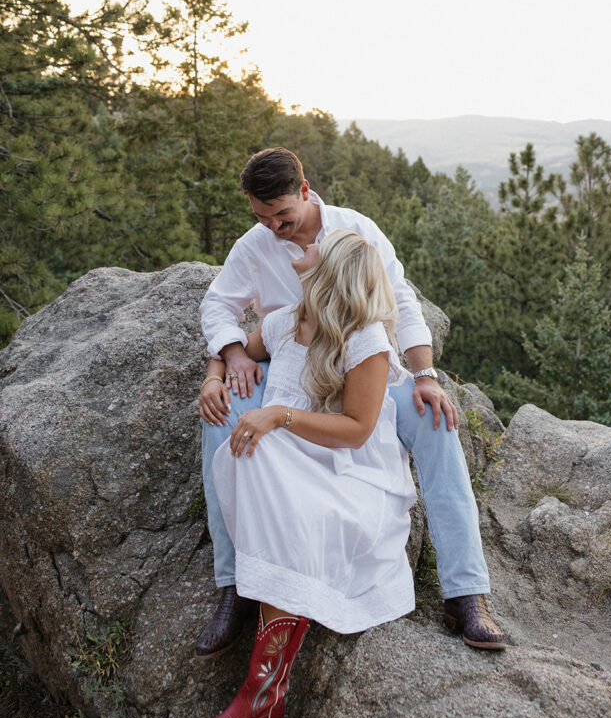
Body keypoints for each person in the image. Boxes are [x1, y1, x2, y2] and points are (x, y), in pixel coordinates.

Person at [198, 147, 505, 657]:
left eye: (282, 215)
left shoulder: (354, 230)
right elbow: (219, 303)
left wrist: (426, 373)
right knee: (222, 418)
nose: (273, 226)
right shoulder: (256, 244)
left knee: (436, 422)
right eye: (261, 216)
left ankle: (465, 591)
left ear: (304, 190)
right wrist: (229, 358)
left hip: (361, 363)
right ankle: (235, 586)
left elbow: (400, 299)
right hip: (287, 357)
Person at [205, 230, 417, 718]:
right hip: (291, 460)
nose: (305, 248)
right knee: (253, 449)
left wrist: (278, 414)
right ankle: (264, 700)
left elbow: (359, 429)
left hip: (348, 471)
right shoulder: (285, 323)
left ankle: (260, 697)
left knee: (270, 449)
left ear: (332, 271)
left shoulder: (365, 339)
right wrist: (216, 374)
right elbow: (238, 348)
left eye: (316, 250)